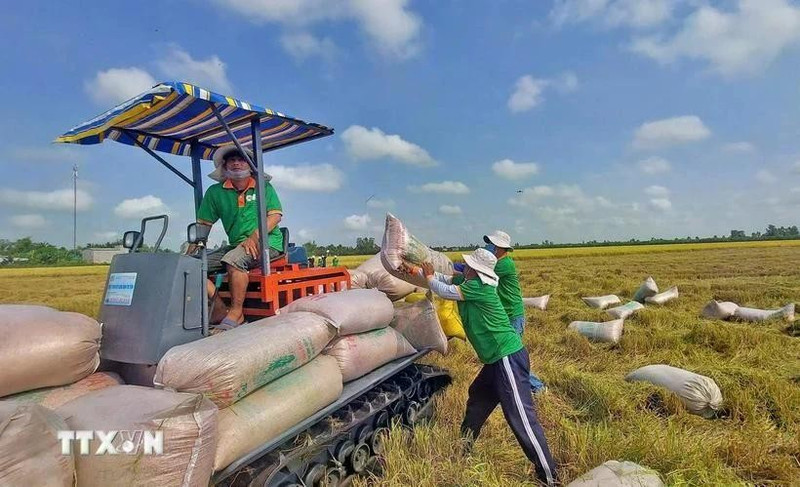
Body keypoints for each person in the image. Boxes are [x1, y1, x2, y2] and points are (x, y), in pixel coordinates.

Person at [401, 249, 557, 485]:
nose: (464, 267)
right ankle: (464, 446)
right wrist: (415, 271)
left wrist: (430, 276)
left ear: (477, 270)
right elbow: (444, 279)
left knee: (521, 417)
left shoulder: (480, 287)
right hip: (495, 361)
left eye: (468, 265)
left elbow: (442, 289)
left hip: (507, 357)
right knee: (478, 397)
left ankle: (549, 477)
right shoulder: (467, 281)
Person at [197, 146, 283, 330]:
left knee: (234, 260)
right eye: (232, 160)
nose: (236, 163)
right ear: (225, 165)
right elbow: (204, 223)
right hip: (237, 245)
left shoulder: (263, 187)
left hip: (268, 243)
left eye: (242, 159)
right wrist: (194, 246)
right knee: (191, 265)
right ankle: (219, 310)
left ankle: (237, 313)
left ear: (250, 165)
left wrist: (254, 237)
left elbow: (275, 216)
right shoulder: (215, 192)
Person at [483, 230, 547, 393]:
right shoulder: (497, 263)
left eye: (491, 244)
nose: (488, 247)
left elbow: (478, 273)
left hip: (513, 315)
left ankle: (538, 388)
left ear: (499, 247)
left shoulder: (504, 264)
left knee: (512, 356)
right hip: (505, 315)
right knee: (504, 355)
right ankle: (504, 388)